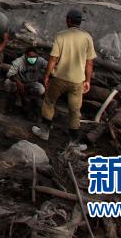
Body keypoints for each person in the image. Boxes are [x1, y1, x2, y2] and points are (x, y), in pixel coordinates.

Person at [32, 9, 95, 150]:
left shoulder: (60, 36)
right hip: (77, 81)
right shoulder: (87, 38)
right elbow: (90, 62)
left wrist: (47, 75)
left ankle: (44, 132)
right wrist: (88, 81)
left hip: (60, 78)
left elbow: (53, 59)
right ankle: (73, 142)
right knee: (75, 110)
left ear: (68, 20)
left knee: (49, 102)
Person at [3, 47, 48, 120]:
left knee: (41, 89)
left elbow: (50, 67)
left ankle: (29, 100)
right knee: (7, 82)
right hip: (20, 82)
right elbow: (9, 74)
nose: (32, 58)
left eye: (34, 57)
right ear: (26, 55)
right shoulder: (19, 61)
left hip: (32, 83)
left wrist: (47, 78)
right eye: (30, 56)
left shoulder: (40, 60)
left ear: (37, 56)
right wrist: (18, 81)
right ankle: (12, 100)